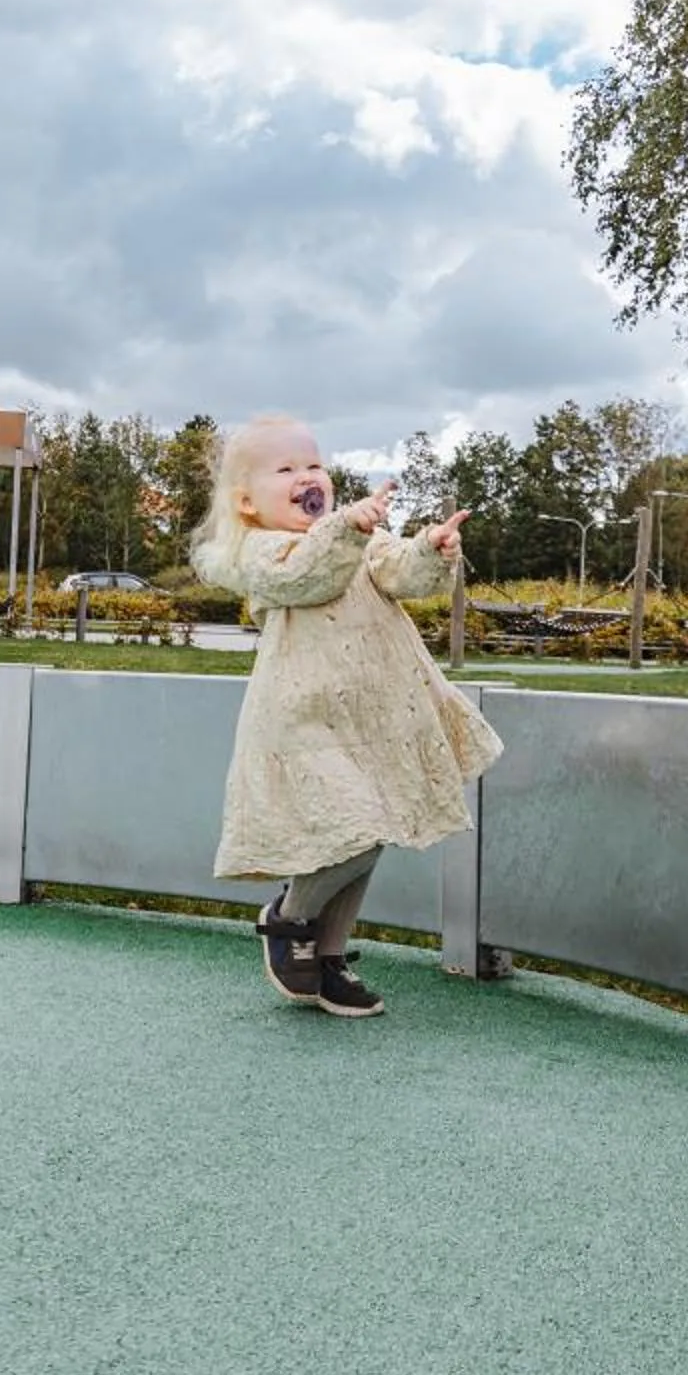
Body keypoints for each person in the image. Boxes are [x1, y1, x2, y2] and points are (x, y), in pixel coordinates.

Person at [190, 416, 501, 1017]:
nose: (307, 476)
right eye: (286, 469)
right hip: (306, 722)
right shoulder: (264, 552)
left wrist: (430, 550)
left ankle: (327, 957)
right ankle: (287, 920)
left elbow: (401, 573)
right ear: (248, 503)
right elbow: (308, 576)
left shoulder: (358, 542)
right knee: (353, 835)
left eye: (313, 465)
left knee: (371, 832)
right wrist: (346, 528)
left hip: (371, 717)